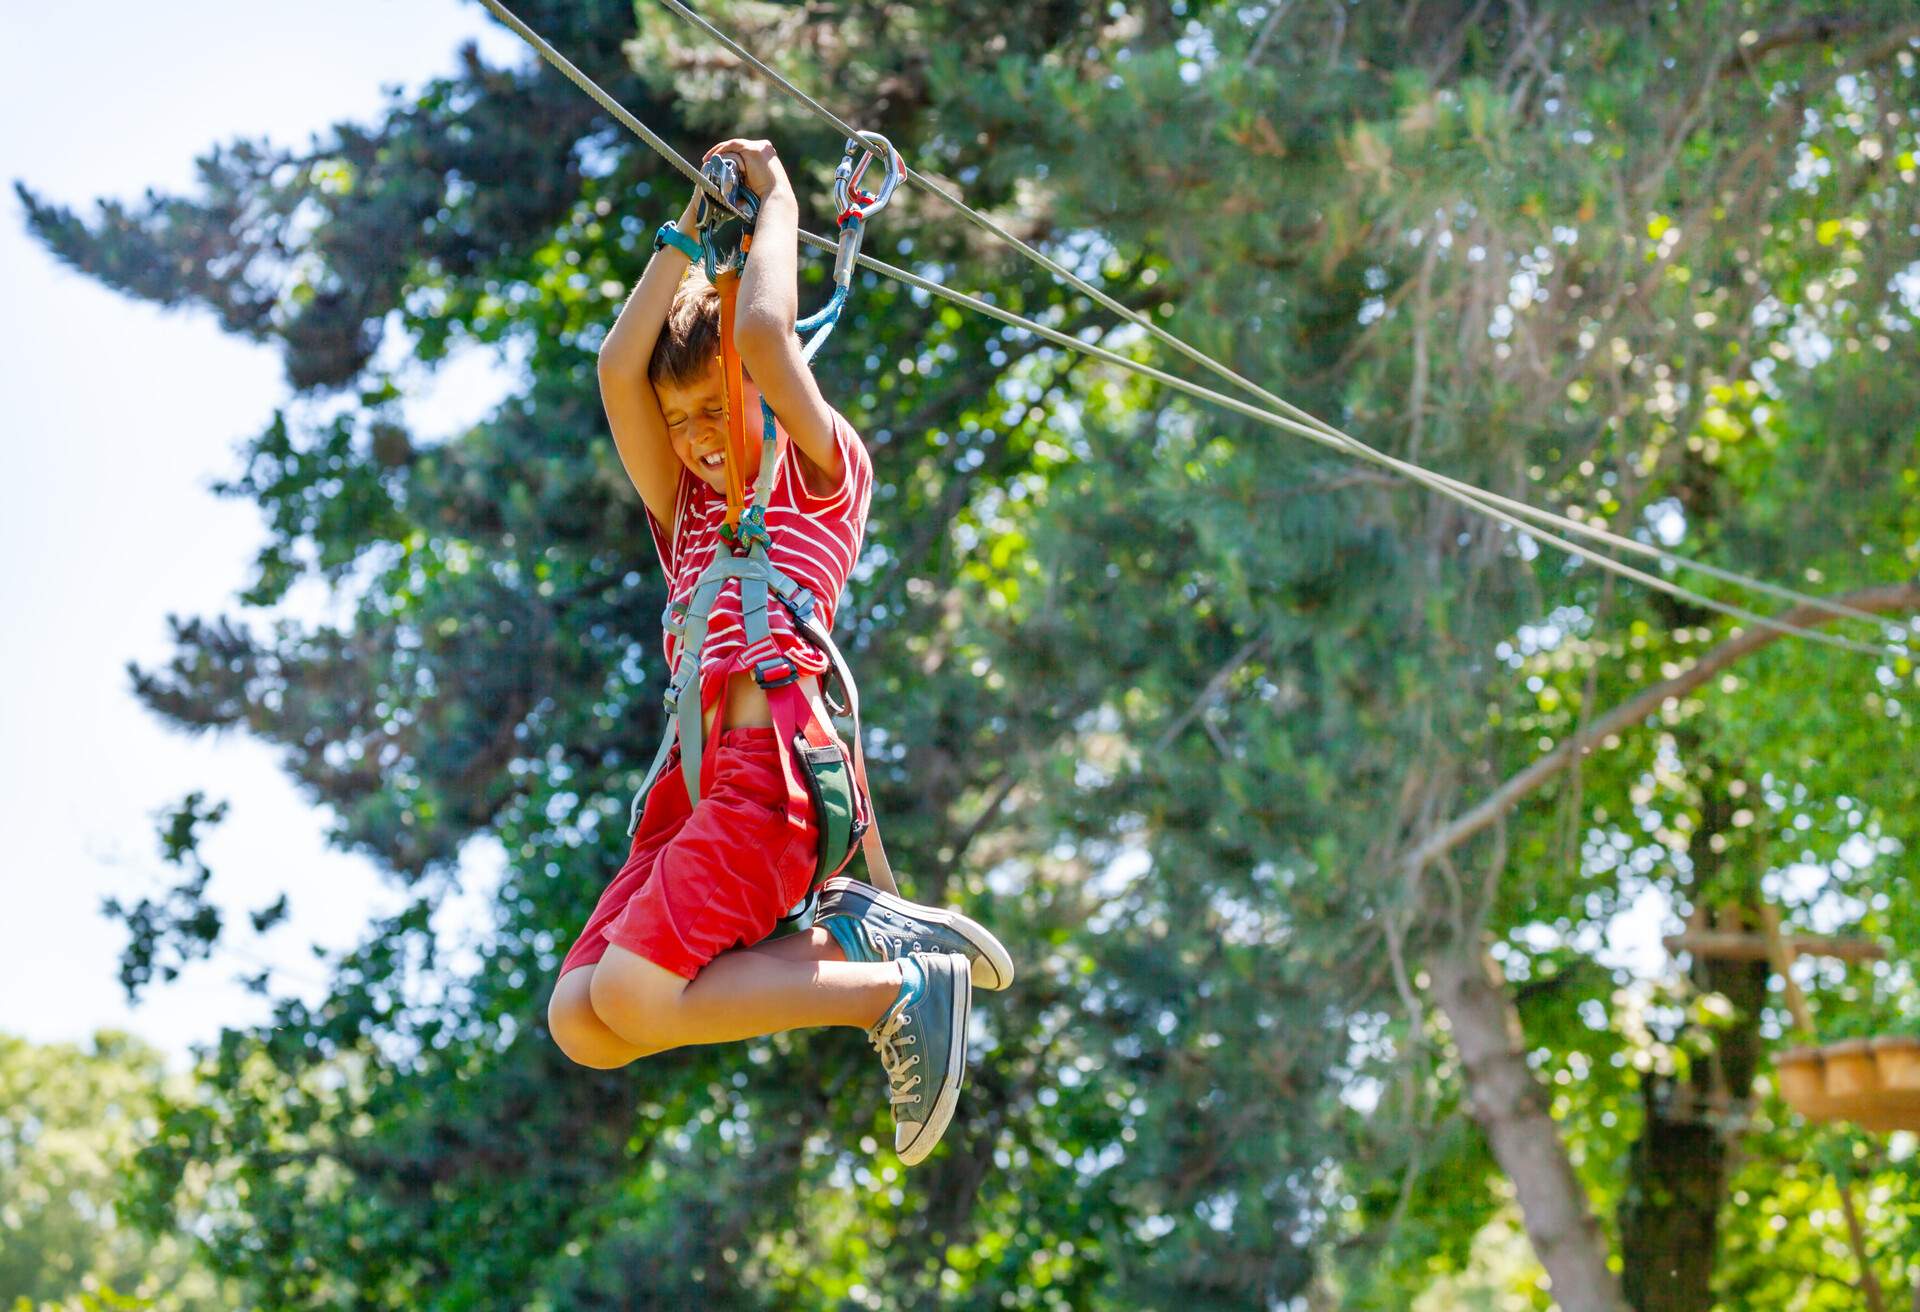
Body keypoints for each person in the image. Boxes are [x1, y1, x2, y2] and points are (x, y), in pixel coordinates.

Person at [545, 137, 1013, 1165]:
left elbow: (758, 330)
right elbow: (618, 367)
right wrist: (685, 225)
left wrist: (777, 201)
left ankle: (894, 986)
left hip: (776, 776)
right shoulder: (686, 515)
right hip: (690, 795)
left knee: (634, 988)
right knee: (584, 1019)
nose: (700, 438)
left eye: (714, 409)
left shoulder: (817, 471)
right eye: (682, 424)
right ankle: (861, 944)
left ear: (767, 392)